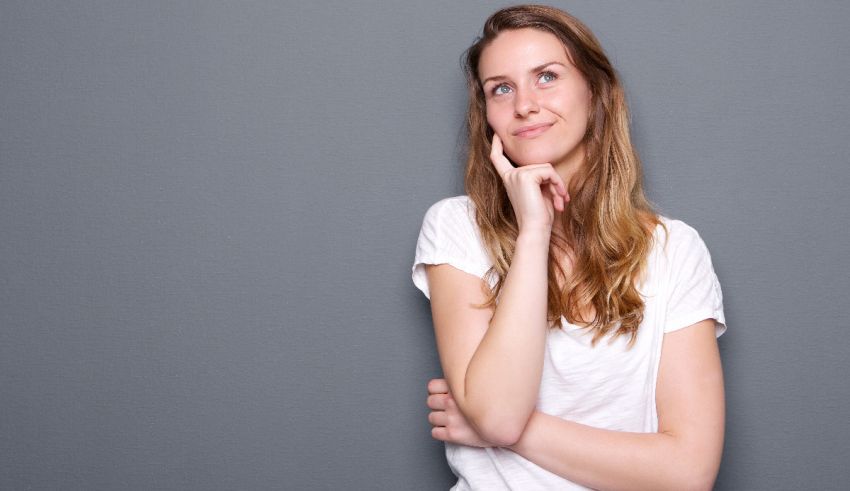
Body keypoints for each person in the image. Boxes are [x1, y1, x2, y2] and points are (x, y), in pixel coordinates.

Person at [411, 4, 726, 491]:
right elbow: (497, 412)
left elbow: (688, 473)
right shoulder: (456, 226)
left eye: (547, 77)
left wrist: (506, 431)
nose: (524, 105)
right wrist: (534, 231)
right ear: (487, 115)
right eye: (501, 88)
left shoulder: (674, 249)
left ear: (596, 93)